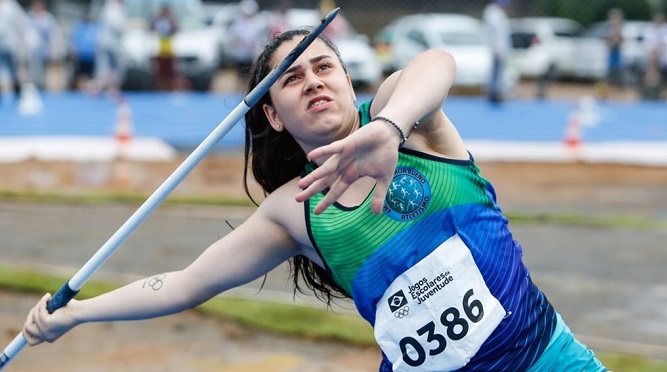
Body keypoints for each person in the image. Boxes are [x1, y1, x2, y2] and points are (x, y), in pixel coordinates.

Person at [22, 28, 608, 372]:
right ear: (272, 114)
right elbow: (185, 283)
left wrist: (389, 129)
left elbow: (439, 63)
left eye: (324, 66)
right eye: (293, 79)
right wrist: (74, 313)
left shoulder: (410, 123)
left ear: (350, 81)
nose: (315, 81)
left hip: (548, 362)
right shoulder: (293, 210)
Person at [26, 0, 62, 90]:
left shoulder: (48, 18)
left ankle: (45, 90)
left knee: (47, 73)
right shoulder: (29, 17)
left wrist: (54, 50)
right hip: (32, 51)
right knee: (33, 73)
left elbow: (54, 35)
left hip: (46, 50)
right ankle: (34, 88)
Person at [92, 0, 126, 95]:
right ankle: (99, 88)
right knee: (115, 68)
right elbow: (117, 25)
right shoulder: (113, 7)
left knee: (106, 68)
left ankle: (107, 89)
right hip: (110, 44)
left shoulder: (109, 6)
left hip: (106, 43)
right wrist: (124, 26)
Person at [483, 0, 511, 104]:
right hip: (497, 49)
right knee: (497, 72)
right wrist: (497, 48)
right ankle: (495, 93)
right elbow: (496, 35)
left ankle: (495, 92)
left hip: (499, 48)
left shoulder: (497, 14)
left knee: (497, 71)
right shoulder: (494, 15)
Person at [641, 9, 667, 100]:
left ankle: (652, 81)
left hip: (664, 58)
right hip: (652, 57)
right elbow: (648, 46)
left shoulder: (666, 29)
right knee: (653, 56)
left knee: (654, 57)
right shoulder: (649, 29)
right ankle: (652, 83)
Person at [68, 10, 100, 90]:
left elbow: (98, 41)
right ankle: (80, 90)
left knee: (90, 75)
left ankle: (89, 90)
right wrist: (74, 51)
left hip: (91, 56)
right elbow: (74, 40)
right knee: (80, 75)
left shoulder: (95, 27)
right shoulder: (79, 26)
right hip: (81, 55)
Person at [150, 4, 179, 91]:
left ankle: (170, 90)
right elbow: (151, 28)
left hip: (169, 51)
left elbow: (176, 29)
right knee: (160, 75)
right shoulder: (158, 21)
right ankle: (160, 90)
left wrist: (171, 19)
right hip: (159, 52)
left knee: (170, 75)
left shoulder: (170, 22)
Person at [601, 8, 625, 99]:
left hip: (618, 57)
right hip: (611, 56)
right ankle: (607, 95)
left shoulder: (620, 30)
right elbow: (607, 42)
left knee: (619, 77)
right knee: (609, 77)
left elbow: (620, 42)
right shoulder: (608, 30)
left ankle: (619, 96)